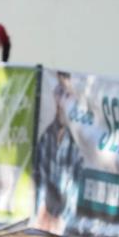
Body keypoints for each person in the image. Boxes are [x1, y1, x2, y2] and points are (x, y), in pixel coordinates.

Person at [35, 72, 87, 228]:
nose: (62, 101)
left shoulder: (77, 143)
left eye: (68, 95)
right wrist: (41, 210)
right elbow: (41, 179)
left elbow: (75, 189)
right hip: (46, 217)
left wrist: (65, 219)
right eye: (59, 93)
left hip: (65, 219)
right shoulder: (46, 137)